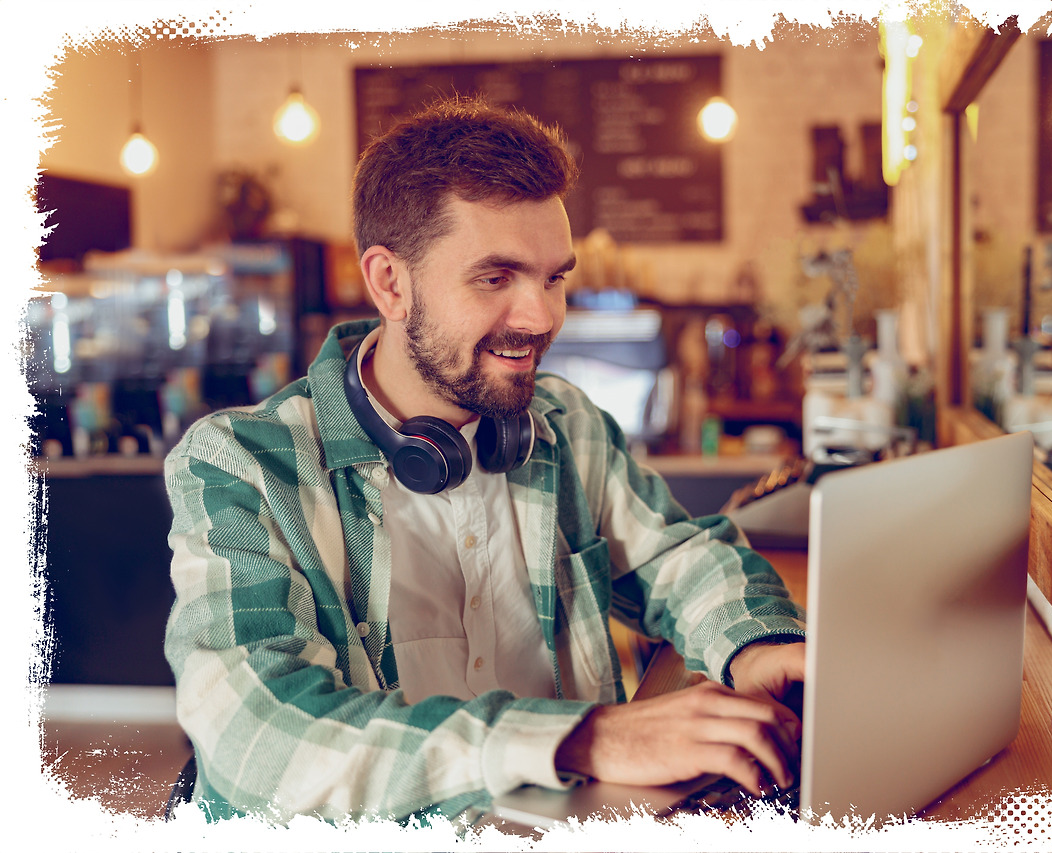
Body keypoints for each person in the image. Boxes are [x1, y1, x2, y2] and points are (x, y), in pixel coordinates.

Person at [163, 96, 806, 826]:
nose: (540, 317)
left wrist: (758, 643)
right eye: (495, 278)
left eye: (554, 277)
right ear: (390, 283)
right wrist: (582, 740)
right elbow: (259, 739)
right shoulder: (243, 465)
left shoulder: (566, 425)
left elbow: (681, 559)